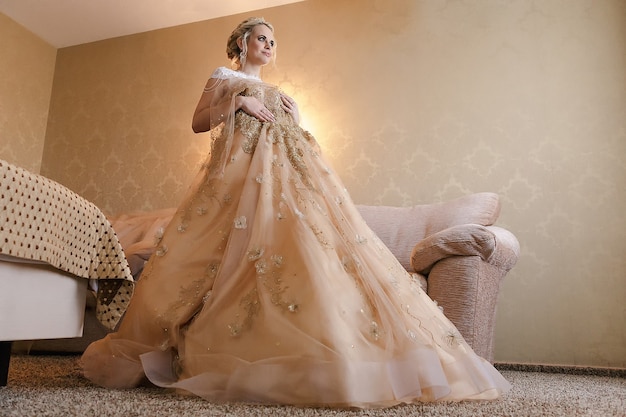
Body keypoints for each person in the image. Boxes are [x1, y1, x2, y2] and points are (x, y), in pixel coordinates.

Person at [81, 17, 510, 408]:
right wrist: (238, 105)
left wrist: (297, 115)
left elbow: (299, 143)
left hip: (286, 189)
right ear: (242, 43)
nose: (269, 46)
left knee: (307, 253)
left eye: (273, 41)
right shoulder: (225, 78)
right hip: (235, 188)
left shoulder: (283, 94)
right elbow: (199, 122)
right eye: (262, 39)